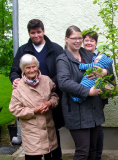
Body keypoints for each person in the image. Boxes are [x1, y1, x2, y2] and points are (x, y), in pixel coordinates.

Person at [9, 19, 64, 160]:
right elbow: (14, 70)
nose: (36, 35)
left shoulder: (56, 49)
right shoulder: (23, 50)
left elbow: (64, 72)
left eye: (39, 32)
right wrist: (15, 79)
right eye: (33, 33)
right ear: (29, 33)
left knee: (52, 131)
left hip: (50, 96)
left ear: (43, 31)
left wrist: (53, 83)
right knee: (34, 139)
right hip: (30, 101)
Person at [56, 25, 112, 160]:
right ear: (66, 39)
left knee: (93, 149)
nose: (77, 41)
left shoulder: (87, 54)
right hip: (76, 111)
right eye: (74, 38)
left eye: (79, 38)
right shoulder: (63, 59)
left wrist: (105, 72)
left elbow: (106, 68)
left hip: (94, 109)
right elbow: (63, 82)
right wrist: (87, 92)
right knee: (83, 151)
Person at [9, 54, 59, 160]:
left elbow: (54, 96)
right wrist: (34, 110)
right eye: (28, 67)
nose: (32, 70)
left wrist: (49, 103)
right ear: (22, 69)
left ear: (37, 66)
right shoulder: (19, 87)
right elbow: (14, 109)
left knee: (51, 156)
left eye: (34, 66)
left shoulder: (46, 80)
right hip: (32, 133)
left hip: (48, 130)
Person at [82, 30, 114, 160]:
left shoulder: (103, 56)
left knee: (97, 128)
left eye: (92, 40)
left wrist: (105, 72)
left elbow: (112, 79)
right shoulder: (79, 56)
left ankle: (97, 156)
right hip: (83, 97)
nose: (89, 42)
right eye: (86, 40)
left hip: (98, 98)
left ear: (96, 43)